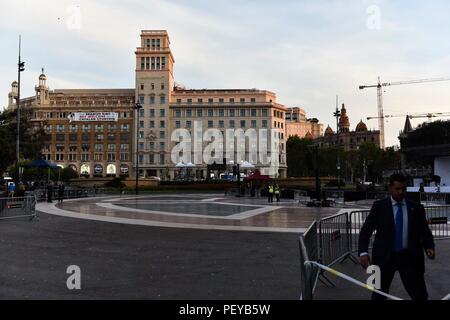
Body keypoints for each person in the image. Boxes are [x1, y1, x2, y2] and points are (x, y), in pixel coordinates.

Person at [358, 173, 435, 300]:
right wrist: (363, 252)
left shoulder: (416, 208)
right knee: (378, 294)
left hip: (410, 258)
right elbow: (366, 231)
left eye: (404, 189)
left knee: (420, 295)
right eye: (397, 189)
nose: (401, 192)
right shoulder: (379, 207)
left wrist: (429, 247)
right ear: (390, 188)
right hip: (382, 258)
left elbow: (425, 232)